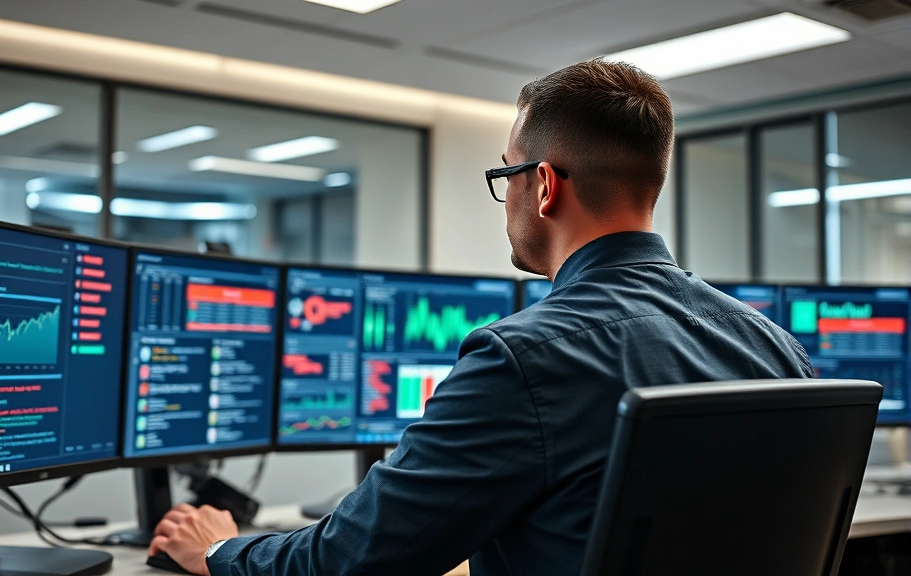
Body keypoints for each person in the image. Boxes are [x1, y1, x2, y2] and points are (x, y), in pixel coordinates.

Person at [148, 59, 814, 576]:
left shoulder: (525, 358)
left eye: (508, 176)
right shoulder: (774, 346)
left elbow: (354, 559)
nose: (506, 200)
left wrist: (222, 551)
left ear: (544, 185)